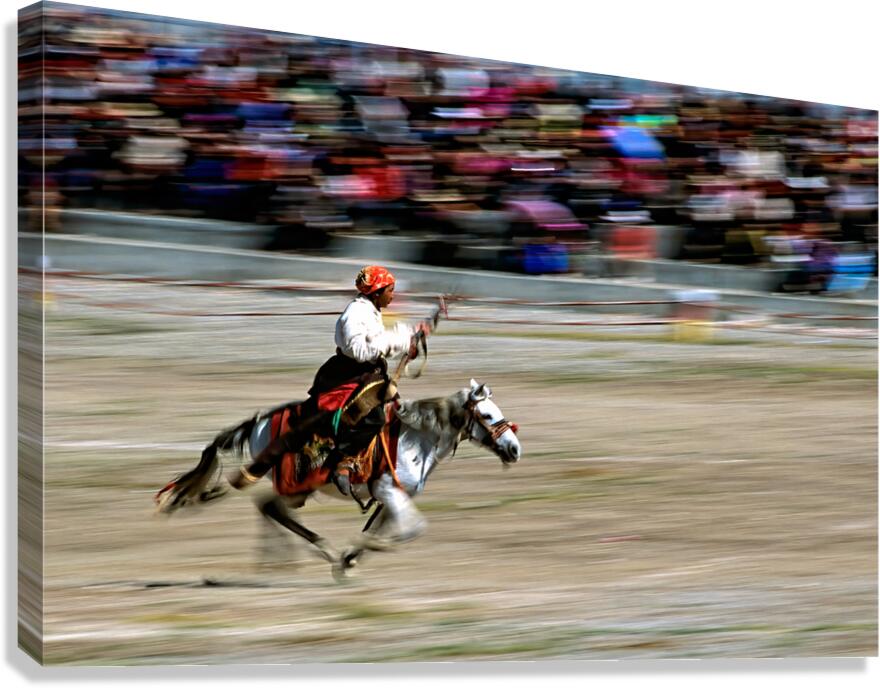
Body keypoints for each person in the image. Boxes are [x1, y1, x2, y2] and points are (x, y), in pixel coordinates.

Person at [229, 265, 428, 495]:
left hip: (367, 375)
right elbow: (360, 351)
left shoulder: (371, 310)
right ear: (377, 292)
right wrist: (401, 341)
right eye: (390, 290)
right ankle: (341, 462)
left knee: (394, 410)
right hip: (347, 376)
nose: (393, 295)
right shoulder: (355, 313)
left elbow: (377, 343)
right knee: (374, 418)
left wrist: (409, 337)